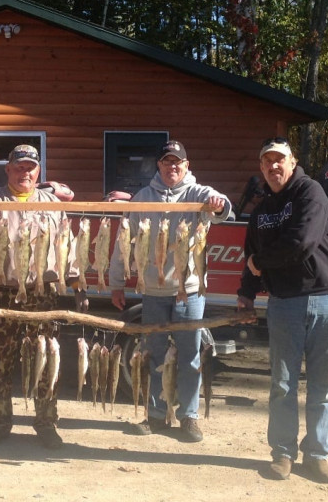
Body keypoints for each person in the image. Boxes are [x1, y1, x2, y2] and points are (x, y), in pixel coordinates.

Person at [236, 137, 328, 484]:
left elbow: (301, 243)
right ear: (261, 169)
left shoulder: (311, 193)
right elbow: (249, 255)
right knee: (282, 385)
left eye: (279, 160)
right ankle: (282, 453)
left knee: (322, 385)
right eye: (266, 162)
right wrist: (246, 295)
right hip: (283, 303)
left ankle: (317, 455)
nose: (273, 167)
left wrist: (259, 263)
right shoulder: (262, 211)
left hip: (326, 299)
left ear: (292, 161)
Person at [0, 144, 86, 450]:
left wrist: (76, 284)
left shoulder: (52, 204)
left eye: (30, 167)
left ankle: (46, 423)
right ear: (7, 169)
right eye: (19, 167)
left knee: (45, 362)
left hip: (40, 293)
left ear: (39, 171)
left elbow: (67, 246)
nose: (25, 172)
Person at [108, 140, 231, 443]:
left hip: (190, 291)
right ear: (159, 166)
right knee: (154, 353)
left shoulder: (197, 193)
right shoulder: (143, 198)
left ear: (187, 166)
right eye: (166, 161)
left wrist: (219, 203)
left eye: (178, 162)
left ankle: (189, 417)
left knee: (190, 355)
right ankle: (156, 413)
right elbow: (123, 243)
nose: (172, 166)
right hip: (153, 290)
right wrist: (116, 282)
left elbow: (222, 208)